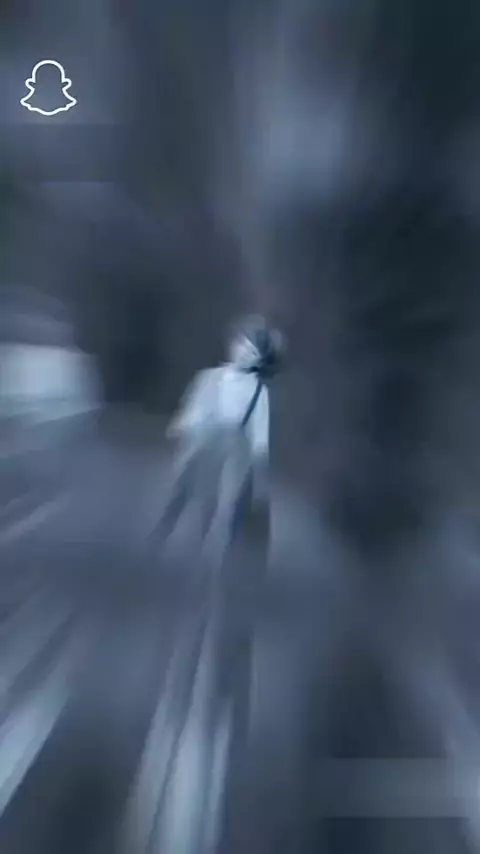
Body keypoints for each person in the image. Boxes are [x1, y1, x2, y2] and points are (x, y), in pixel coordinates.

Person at [157, 315, 284, 558]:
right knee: (178, 494)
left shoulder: (258, 391)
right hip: (201, 442)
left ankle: (206, 560)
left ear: (259, 360)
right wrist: (182, 428)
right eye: (241, 343)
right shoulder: (211, 377)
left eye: (251, 350)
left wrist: (259, 477)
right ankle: (157, 541)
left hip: (233, 453)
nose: (242, 351)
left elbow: (259, 441)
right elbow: (193, 410)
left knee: (220, 511)